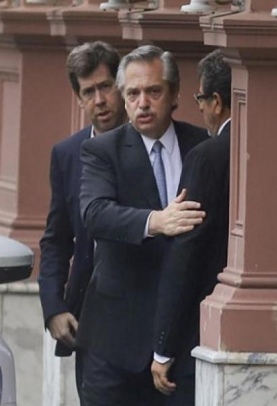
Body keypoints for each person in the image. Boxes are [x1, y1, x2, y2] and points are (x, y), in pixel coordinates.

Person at [76, 45, 210, 405]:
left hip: (182, 342)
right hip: (115, 344)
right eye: (133, 94)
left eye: (153, 91)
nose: (143, 103)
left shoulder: (202, 146)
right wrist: (157, 221)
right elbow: (95, 213)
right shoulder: (103, 150)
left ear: (174, 94)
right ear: (123, 97)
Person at [37, 41, 127, 399]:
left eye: (106, 87)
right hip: (90, 320)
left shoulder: (153, 146)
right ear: (78, 98)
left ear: (120, 86)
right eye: (89, 92)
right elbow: (56, 239)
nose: (100, 100)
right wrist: (54, 309)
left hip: (145, 317)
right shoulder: (67, 155)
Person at [150, 49, 232, 405]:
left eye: (200, 98)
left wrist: (163, 347)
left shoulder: (206, 154)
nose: (198, 108)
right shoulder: (270, 147)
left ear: (216, 101)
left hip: (198, 333)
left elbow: (186, 251)